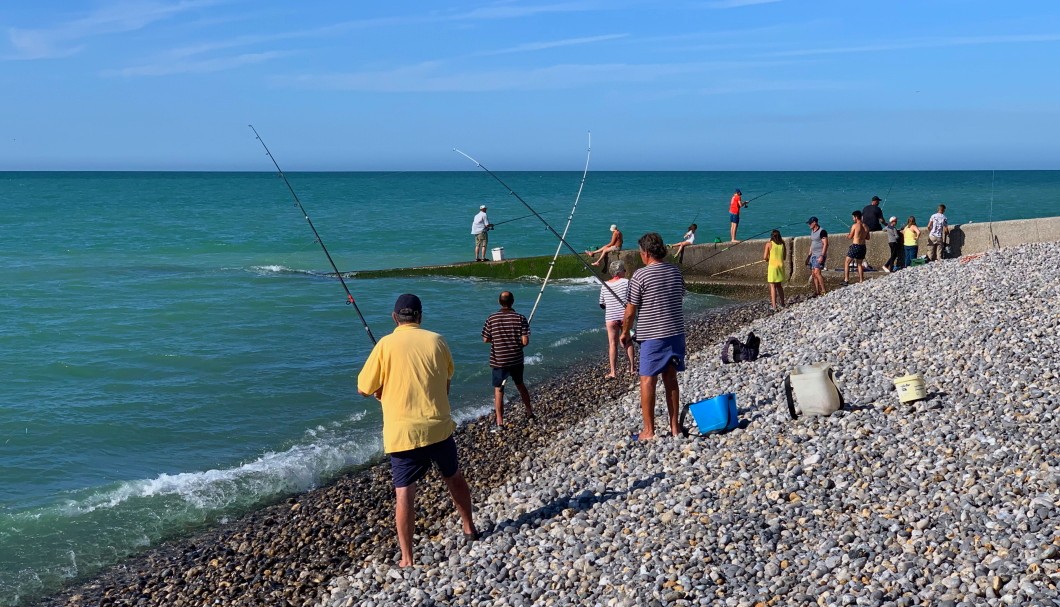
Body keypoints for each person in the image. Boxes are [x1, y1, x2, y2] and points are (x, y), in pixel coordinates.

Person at [357, 293, 478, 568]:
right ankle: (469, 528)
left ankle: (407, 558)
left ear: (394, 317)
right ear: (420, 316)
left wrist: (381, 390)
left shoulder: (385, 345)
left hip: (402, 433)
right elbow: (446, 382)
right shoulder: (437, 340)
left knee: (404, 494)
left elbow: (363, 389)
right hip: (438, 426)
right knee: (454, 477)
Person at [620, 232, 686, 440]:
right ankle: (674, 427)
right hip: (676, 333)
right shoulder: (675, 272)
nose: (641, 255)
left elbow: (630, 312)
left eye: (641, 252)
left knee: (648, 380)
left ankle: (649, 431)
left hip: (653, 336)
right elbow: (679, 296)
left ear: (647, 253)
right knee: (671, 379)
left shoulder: (640, 275)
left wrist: (624, 333)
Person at [481, 291, 533, 427]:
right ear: (513, 302)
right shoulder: (521, 318)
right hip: (516, 359)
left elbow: (485, 339)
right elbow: (525, 341)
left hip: (499, 360)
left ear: (499, 302)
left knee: (499, 390)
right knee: (520, 385)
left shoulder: (491, 318)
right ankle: (529, 412)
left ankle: (500, 421)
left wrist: (497, 340)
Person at [599, 260, 634, 378]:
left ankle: (613, 372)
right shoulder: (626, 282)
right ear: (619, 272)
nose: (625, 272)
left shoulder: (604, 285)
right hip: (624, 316)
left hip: (611, 317)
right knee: (628, 341)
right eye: (624, 270)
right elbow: (632, 298)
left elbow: (602, 304)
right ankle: (632, 368)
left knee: (612, 344)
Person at [842, 210, 870, 285]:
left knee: (847, 262)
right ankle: (861, 280)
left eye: (853, 217)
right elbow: (868, 237)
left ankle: (846, 280)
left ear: (856, 217)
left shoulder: (855, 226)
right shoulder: (866, 226)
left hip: (855, 246)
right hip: (863, 246)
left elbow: (850, 236)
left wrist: (848, 235)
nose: (852, 219)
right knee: (859, 264)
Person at [763, 229, 786, 311]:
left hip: (772, 267)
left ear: (771, 236)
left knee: (772, 286)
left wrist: (768, 259)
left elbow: (765, 257)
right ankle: (782, 303)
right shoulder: (782, 244)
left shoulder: (769, 244)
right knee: (779, 285)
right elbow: (784, 257)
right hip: (780, 266)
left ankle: (774, 305)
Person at [806, 216, 828, 296]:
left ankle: (824, 290)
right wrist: (809, 256)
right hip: (813, 255)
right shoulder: (812, 231)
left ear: (814, 222)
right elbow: (812, 244)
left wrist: (822, 256)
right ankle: (817, 291)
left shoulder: (822, 231)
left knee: (817, 272)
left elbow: (826, 244)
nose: (809, 225)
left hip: (819, 255)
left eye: (810, 223)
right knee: (813, 274)